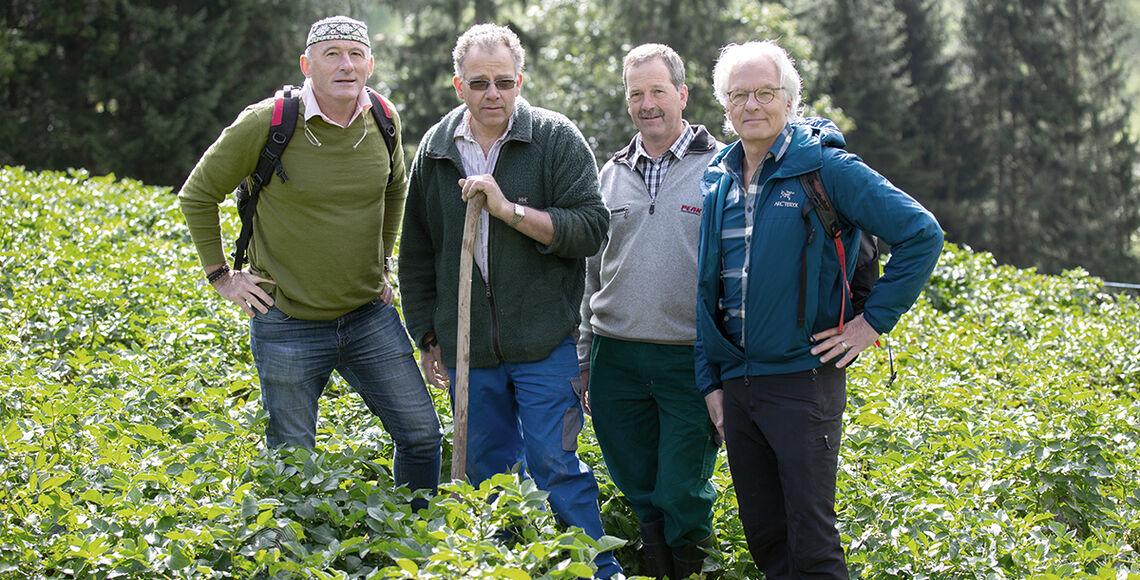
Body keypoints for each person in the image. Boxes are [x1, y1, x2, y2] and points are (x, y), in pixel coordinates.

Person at [694, 41, 943, 578]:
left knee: (812, 542)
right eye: (739, 95)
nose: (752, 105)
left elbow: (922, 234)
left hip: (803, 381)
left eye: (765, 93)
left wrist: (871, 324)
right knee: (764, 534)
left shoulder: (826, 169)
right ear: (725, 105)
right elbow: (707, 287)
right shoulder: (718, 179)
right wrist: (711, 380)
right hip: (737, 385)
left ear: (790, 101)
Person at [178, 16, 442, 506]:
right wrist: (221, 277)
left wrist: (383, 260)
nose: (346, 65)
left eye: (356, 54)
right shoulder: (268, 121)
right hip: (287, 322)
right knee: (293, 463)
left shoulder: (384, 118)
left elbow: (395, 189)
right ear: (307, 64)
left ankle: (417, 538)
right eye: (332, 54)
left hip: (368, 317)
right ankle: (295, 555)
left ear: (370, 63)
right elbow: (197, 194)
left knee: (422, 435)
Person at [397, 23, 622, 580]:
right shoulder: (436, 148)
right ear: (458, 86)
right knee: (484, 472)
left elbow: (592, 228)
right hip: (469, 349)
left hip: (545, 341)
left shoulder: (554, 138)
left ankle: (597, 568)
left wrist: (508, 211)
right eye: (478, 83)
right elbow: (418, 251)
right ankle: (497, 566)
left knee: (554, 463)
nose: (491, 94)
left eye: (503, 82)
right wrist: (429, 336)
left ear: (520, 81)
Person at [577, 43, 722, 579]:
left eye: (658, 91)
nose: (647, 104)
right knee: (636, 480)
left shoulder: (722, 167)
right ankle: (658, 565)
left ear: (682, 95)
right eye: (636, 93)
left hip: (690, 357)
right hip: (617, 357)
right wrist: (586, 355)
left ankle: (694, 567)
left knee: (682, 485)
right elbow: (588, 274)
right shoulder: (608, 174)